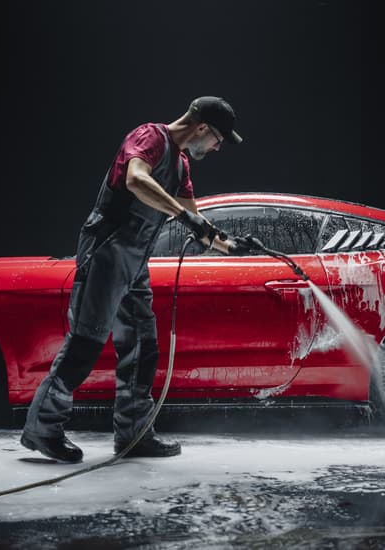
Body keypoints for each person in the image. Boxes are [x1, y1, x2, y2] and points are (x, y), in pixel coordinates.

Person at [21, 96, 250, 463]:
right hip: (106, 251)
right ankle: (42, 429)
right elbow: (136, 179)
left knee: (143, 347)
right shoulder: (149, 137)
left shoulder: (181, 166)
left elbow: (196, 221)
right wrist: (187, 218)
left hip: (135, 262)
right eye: (218, 140)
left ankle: (134, 434)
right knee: (85, 342)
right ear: (203, 127)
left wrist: (230, 244)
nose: (218, 148)